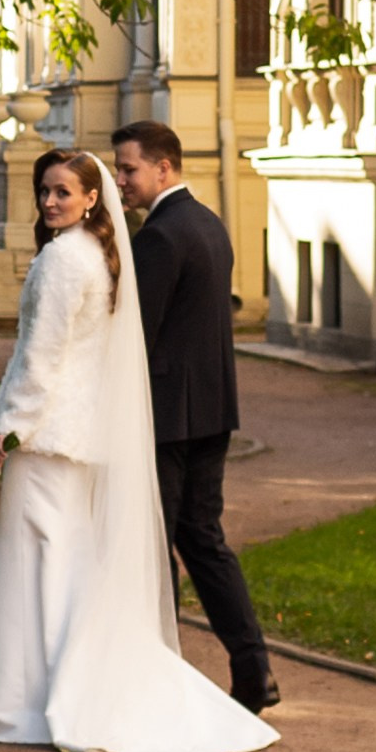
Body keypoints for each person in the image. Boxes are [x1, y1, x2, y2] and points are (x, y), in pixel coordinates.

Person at [0, 149, 275, 752]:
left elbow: (40, 360)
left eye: (63, 192)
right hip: (80, 435)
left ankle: (24, 700)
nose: (49, 202)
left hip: (47, 438)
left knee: (34, 565)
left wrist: (6, 431)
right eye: (44, 191)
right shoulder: (101, 255)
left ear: (91, 199)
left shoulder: (62, 259)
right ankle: (55, 689)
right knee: (63, 563)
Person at [112, 119, 279, 718]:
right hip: (212, 410)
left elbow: (136, 333)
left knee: (152, 545)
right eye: (117, 169)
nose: (120, 180)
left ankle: (157, 671)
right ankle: (253, 667)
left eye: (128, 169)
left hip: (167, 419)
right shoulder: (208, 223)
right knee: (203, 540)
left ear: (164, 168)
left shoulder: (159, 236)